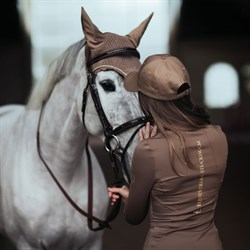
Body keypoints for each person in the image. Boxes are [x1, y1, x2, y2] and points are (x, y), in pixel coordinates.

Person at [108, 54, 228, 250]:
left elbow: (134, 216)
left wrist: (131, 188)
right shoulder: (219, 137)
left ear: (147, 100)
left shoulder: (148, 150)